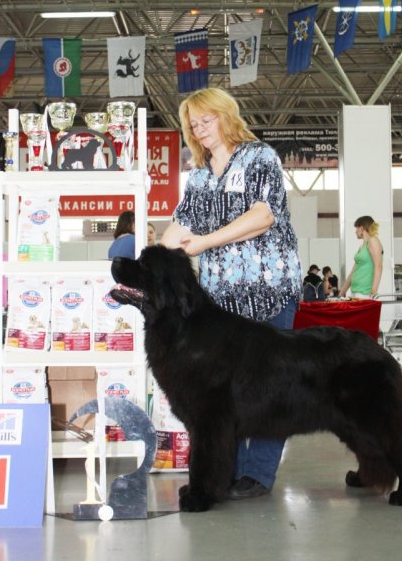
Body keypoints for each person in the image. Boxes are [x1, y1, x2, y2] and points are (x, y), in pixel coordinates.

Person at [161, 87, 302, 500]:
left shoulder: (260, 157)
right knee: (225, 393)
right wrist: (146, 261)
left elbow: (263, 215)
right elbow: (179, 225)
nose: (200, 129)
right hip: (222, 301)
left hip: (271, 290)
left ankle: (258, 474)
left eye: (207, 120)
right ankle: (229, 472)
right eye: (193, 124)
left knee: (270, 387)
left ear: (226, 115)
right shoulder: (200, 175)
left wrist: (206, 242)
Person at [339, 215, 383, 299]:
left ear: (362, 228)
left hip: (365, 293)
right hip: (355, 292)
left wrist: (374, 290)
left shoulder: (373, 240)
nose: (355, 231)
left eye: (357, 228)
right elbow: (353, 272)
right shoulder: (362, 246)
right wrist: (342, 292)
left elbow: (379, 266)